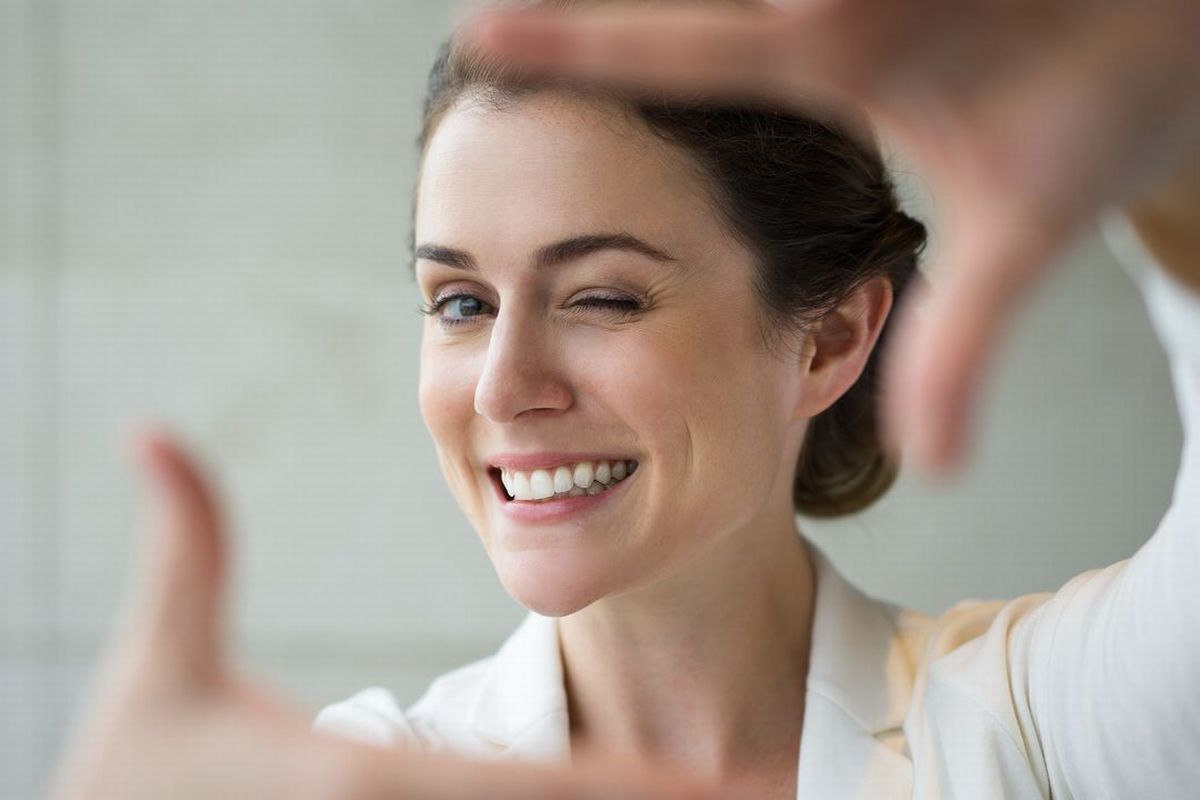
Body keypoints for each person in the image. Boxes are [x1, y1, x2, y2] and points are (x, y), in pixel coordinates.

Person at [45, 1, 1200, 798]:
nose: (503, 385)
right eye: (458, 301)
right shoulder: (373, 771)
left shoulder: (1038, 724)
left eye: (600, 296)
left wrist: (1175, 151)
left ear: (829, 337)